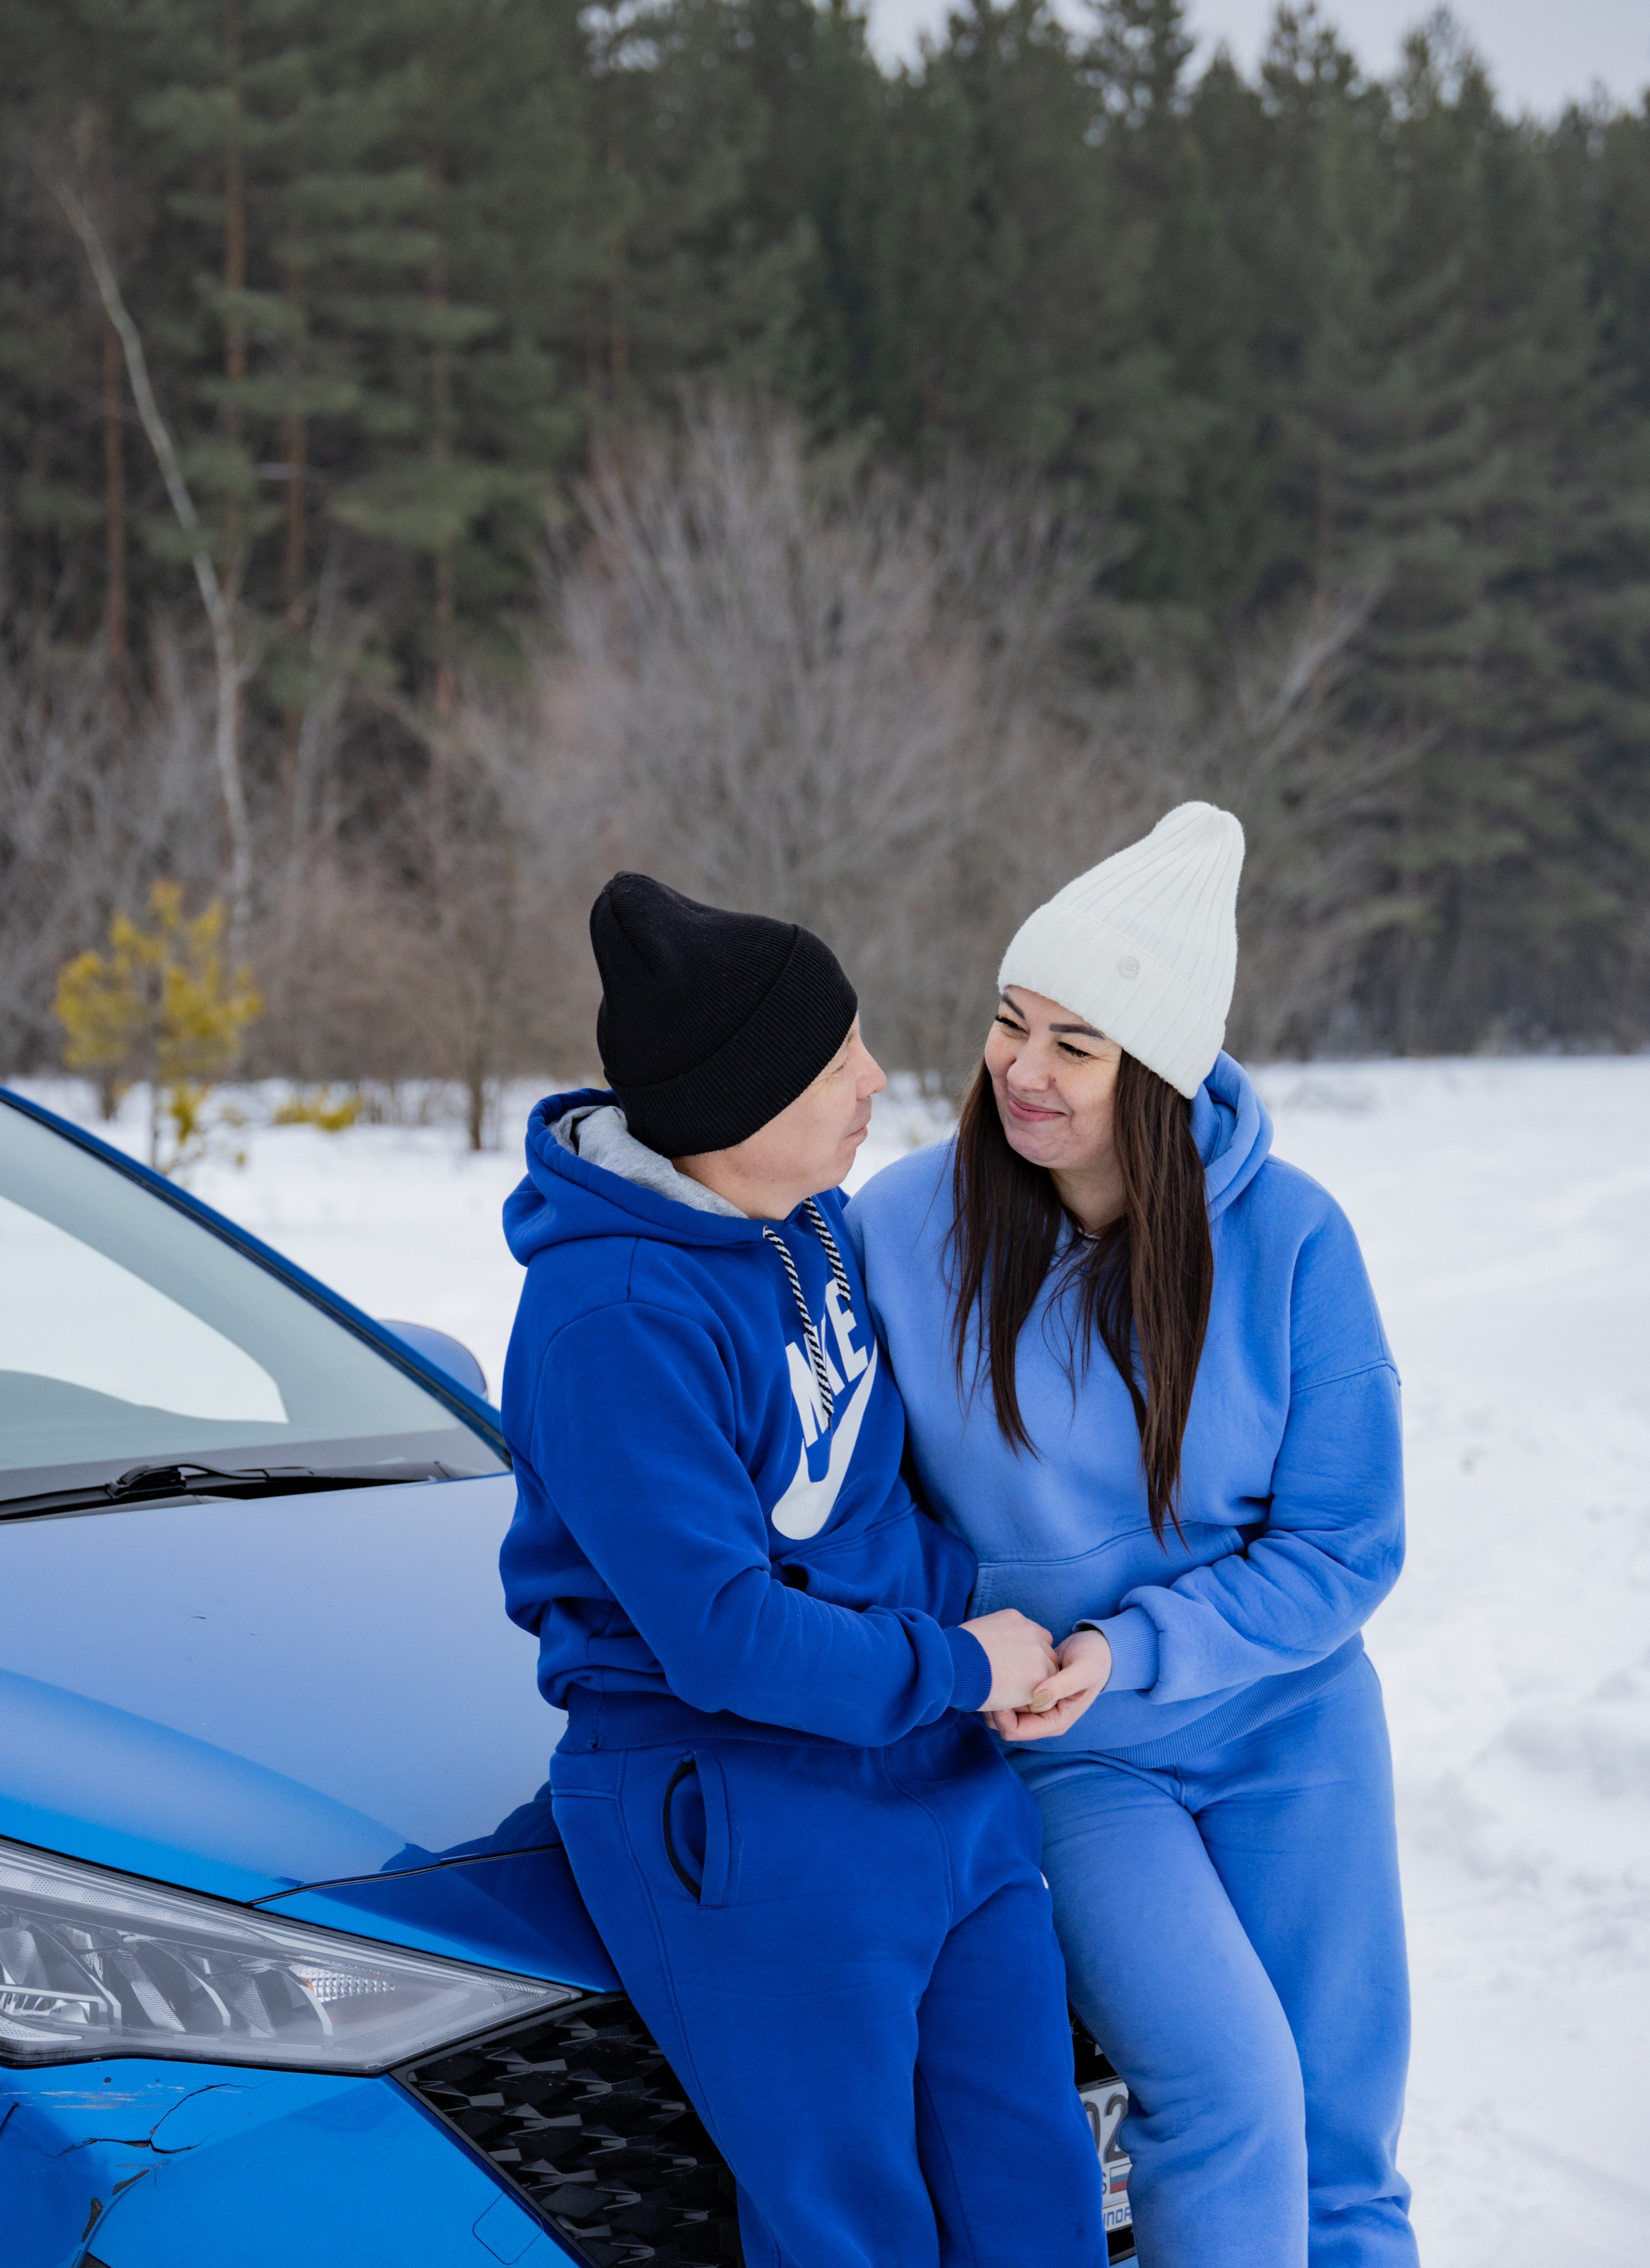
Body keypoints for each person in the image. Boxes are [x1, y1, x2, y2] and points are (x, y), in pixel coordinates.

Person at [497, 873, 1106, 2268]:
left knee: (1037, 2199)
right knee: (852, 2232)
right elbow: (717, 1634)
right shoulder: (612, 1313)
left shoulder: (808, 1227)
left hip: (932, 1773)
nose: (875, 1080)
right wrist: (956, 1664)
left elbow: (872, 1504)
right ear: (732, 1100)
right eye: (835, 1060)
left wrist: (989, 1643)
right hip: (744, 1799)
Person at [850, 804, 1419, 2268]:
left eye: (1074, 1045)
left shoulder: (1291, 1240)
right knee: (1229, 2091)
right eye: (1006, 1023)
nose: (1020, 1072)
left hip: (1287, 1721)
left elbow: (1344, 1546)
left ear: (1155, 1072)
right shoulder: (901, 1230)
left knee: (1342, 2151)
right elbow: (852, 1500)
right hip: (1073, 1749)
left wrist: (1140, 1639)